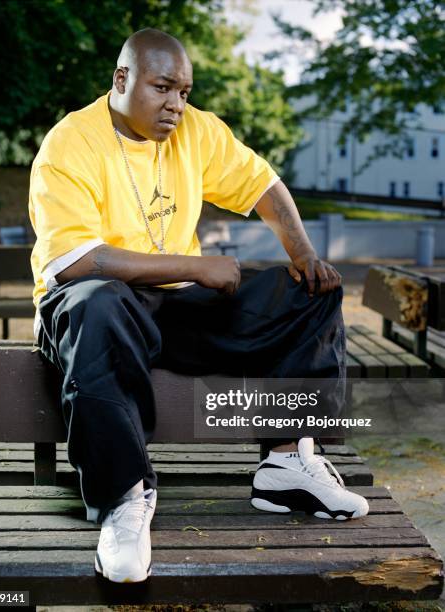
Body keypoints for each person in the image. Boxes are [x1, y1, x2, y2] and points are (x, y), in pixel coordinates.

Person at [29, 28, 369, 584]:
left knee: (312, 292)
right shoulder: (70, 143)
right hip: (94, 313)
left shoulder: (194, 131)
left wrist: (304, 253)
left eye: (184, 92)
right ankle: (123, 500)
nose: (176, 105)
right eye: (163, 87)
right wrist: (195, 266)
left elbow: (263, 183)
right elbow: (73, 263)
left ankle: (286, 464)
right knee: (98, 303)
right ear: (122, 79)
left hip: (173, 308)